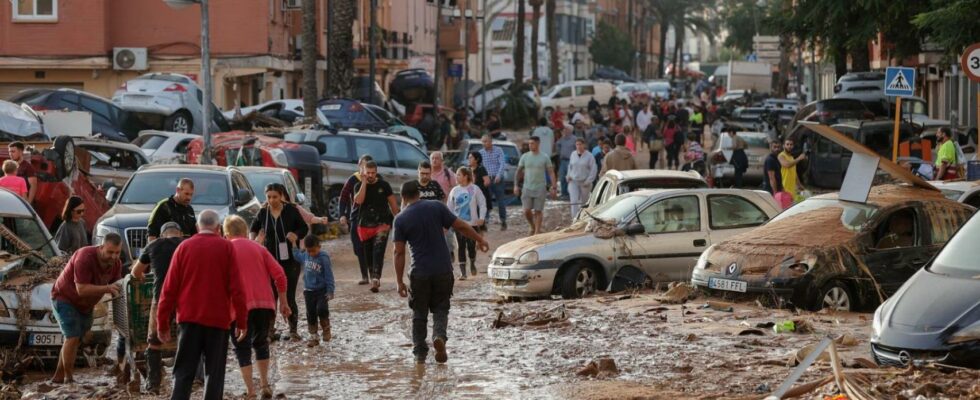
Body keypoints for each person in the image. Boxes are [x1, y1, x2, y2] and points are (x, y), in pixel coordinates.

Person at [392, 181, 489, 365]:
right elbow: (460, 226)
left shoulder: (401, 218)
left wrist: (399, 281)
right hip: (443, 270)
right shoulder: (436, 207)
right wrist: (479, 239)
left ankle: (420, 353)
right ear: (419, 194)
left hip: (419, 272)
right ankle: (440, 337)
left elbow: (399, 252)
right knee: (441, 309)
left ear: (403, 197)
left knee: (419, 313)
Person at [157, 210, 248, 400]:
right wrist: (241, 321)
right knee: (214, 374)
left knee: (183, 372)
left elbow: (169, 289)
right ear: (218, 228)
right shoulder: (226, 248)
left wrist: (162, 323)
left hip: (189, 320)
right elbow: (237, 289)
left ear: (198, 227)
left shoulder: (184, 247)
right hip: (218, 320)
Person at [221, 216, 288, 399]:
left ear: (226, 235)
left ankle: (250, 391)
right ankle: (265, 385)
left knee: (241, 348)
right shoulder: (259, 248)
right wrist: (283, 301)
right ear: (245, 232)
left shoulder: (225, 251)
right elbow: (280, 275)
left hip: (237, 308)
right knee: (261, 343)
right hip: (264, 305)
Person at [50, 234, 123, 384]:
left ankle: (57, 377)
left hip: (86, 304)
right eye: (110, 252)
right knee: (72, 336)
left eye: (117, 253)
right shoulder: (85, 257)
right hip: (64, 297)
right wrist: (107, 288)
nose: (114, 257)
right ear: (101, 247)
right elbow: (81, 289)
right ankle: (69, 380)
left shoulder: (116, 263)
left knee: (75, 339)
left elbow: (118, 286)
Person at [250, 183, 308, 340]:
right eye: (269, 197)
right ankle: (269, 330)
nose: (272, 200)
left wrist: (296, 235)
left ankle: (293, 330)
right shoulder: (263, 212)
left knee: (289, 295)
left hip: (290, 259)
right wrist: (254, 240)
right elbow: (253, 228)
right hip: (269, 259)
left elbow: (304, 228)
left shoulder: (291, 210)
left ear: (281, 196)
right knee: (270, 296)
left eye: (275, 197)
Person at [130, 222, 183, 394]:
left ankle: (153, 385)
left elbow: (135, 273)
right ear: (180, 234)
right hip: (185, 298)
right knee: (188, 338)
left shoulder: (153, 245)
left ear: (161, 235)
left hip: (161, 297)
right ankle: (193, 380)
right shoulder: (185, 244)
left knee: (154, 342)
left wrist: (144, 277)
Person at [353, 160, 400, 293]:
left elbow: (393, 204)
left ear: (376, 172)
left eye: (373, 173)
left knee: (378, 251)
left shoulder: (384, 185)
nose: (371, 175)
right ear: (364, 172)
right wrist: (363, 183)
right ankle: (372, 275)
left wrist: (399, 219)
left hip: (382, 224)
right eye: (368, 173)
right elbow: (359, 200)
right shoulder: (358, 186)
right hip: (364, 225)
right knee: (368, 253)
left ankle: (375, 278)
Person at [291, 234, 335, 348]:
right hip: (308, 291)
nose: (311, 253)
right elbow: (296, 255)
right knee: (310, 313)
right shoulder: (305, 255)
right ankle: (314, 336)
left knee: (322, 309)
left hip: (322, 290)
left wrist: (330, 291)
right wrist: (293, 243)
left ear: (319, 247)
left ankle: (326, 329)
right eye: (309, 251)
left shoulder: (324, 257)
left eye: (313, 251)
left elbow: (329, 275)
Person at [447, 167, 487, 280]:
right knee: (460, 246)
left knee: (471, 246)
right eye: (456, 174)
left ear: (466, 176)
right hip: (458, 224)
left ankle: (472, 262)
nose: (456, 177)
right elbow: (449, 207)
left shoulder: (474, 189)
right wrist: (448, 221)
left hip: (472, 224)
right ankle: (463, 272)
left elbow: (482, 203)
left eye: (459, 175)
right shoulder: (454, 191)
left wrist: (482, 218)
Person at [339, 155, 373, 284]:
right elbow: (343, 197)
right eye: (363, 166)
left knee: (370, 247)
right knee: (358, 248)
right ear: (359, 166)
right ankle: (365, 273)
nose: (365, 170)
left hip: (371, 219)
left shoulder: (376, 179)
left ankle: (369, 275)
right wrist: (342, 214)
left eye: (368, 167)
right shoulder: (353, 179)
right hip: (356, 217)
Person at [515, 136, 557, 236]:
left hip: (540, 187)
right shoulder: (525, 156)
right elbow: (518, 172)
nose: (530, 145)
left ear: (538, 144)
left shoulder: (545, 157)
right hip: (527, 187)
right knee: (526, 210)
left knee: (538, 211)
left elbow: (551, 172)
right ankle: (532, 226)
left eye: (532, 143)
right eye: (529, 143)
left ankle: (537, 232)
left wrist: (554, 187)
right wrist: (516, 185)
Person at [479, 134, 508, 231]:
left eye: (486, 141)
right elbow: (480, 167)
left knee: (501, 201)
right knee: (486, 201)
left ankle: (503, 221)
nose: (484, 143)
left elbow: (502, 163)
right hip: (486, 179)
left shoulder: (498, 150)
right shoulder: (481, 153)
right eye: (483, 141)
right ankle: (485, 222)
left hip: (497, 179)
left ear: (491, 141)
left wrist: (499, 175)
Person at [567, 138, 597, 218]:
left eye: (580, 144)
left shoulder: (589, 156)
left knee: (584, 202)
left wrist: (588, 181)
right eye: (577, 144)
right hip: (573, 181)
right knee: (574, 201)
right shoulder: (573, 154)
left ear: (584, 145)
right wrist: (568, 175)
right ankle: (574, 218)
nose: (579, 146)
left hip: (584, 182)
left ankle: (583, 217)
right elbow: (570, 166)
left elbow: (593, 170)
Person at [468, 151, 492, 229]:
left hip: (481, 197)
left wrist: (477, 188)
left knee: (480, 221)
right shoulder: (468, 169)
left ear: (477, 159)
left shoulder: (481, 169)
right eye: (469, 157)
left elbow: (487, 181)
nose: (469, 159)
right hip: (470, 198)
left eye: (471, 157)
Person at [779, 138, 806, 203]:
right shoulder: (781, 155)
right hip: (784, 187)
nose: (789, 146)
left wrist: (799, 185)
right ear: (783, 146)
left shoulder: (791, 158)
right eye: (787, 144)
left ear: (793, 146)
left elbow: (794, 172)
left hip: (792, 189)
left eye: (791, 144)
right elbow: (787, 165)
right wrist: (799, 158)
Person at [555, 127, 577, 198]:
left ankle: (571, 193)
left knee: (570, 177)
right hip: (562, 161)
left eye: (566, 130)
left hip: (571, 160)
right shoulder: (562, 139)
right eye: (564, 130)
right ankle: (564, 193)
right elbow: (557, 145)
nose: (564, 131)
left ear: (570, 131)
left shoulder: (574, 139)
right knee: (562, 177)